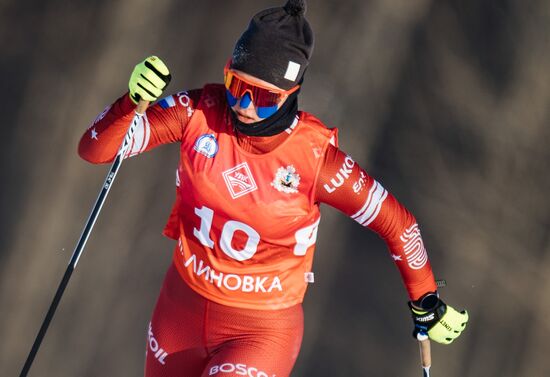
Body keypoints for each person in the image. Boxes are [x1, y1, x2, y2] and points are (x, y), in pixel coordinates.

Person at [78, 1, 468, 376]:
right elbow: (96, 150)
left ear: (290, 94)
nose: (244, 105)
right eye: (236, 85)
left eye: (263, 98)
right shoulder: (199, 113)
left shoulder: (316, 161)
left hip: (260, 331)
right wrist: (132, 102)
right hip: (180, 313)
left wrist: (426, 300)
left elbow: (397, 224)